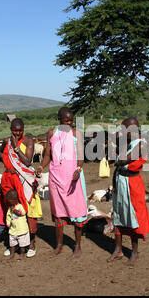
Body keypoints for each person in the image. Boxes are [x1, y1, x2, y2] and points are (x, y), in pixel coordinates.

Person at [36, 107, 88, 259]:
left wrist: (78, 169)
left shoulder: (76, 133)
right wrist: (41, 166)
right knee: (59, 212)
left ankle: (77, 246)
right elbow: (47, 154)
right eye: (66, 120)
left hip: (73, 178)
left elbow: (81, 156)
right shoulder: (52, 133)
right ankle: (59, 245)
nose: (69, 123)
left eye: (71, 120)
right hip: (56, 178)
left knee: (76, 211)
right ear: (59, 119)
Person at [108, 117, 149, 265]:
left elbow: (122, 161)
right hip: (121, 181)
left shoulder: (142, 144)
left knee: (133, 216)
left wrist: (115, 148)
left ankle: (134, 252)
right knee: (118, 215)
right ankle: (118, 249)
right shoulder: (128, 143)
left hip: (132, 183)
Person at [0, 118, 40, 258]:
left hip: (23, 179)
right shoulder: (6, 141)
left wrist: (17, 146)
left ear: (23, 129)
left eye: (20, 130)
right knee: (11, 209)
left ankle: (31, 243)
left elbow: (27, 161)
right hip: (9, 180)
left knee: (27, 210)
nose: (17, 133)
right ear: (10, 129)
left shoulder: (28, 140)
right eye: (14, 130)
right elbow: (1, 153)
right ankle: (13, 244)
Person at [5, 189, 30, 260]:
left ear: (15, 199)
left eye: (10, 200)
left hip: (21, 230)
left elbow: (21, 213)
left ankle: (22, 254)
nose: (9, 202)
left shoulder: (20, 206)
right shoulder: (10, 208)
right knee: (12, 243)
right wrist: (8, 223)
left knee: (22, 244)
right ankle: (12, 253)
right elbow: (8, 217)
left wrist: (14, 210)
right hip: (13, 230)